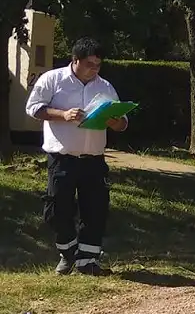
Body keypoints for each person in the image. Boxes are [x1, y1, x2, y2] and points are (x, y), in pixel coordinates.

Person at [26, 37, 129, 276]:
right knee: (57, 209)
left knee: (95, 210)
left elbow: (123, 123)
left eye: (98, 65)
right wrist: (64, 115)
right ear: (75, 60)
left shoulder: (104, 86)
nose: (95, 69)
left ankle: (88, 261)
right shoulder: (53, 80)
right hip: (62, 158)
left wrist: (116, 122)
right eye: (90, 64)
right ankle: (68, 251)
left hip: (94, 159)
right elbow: (33, 108)